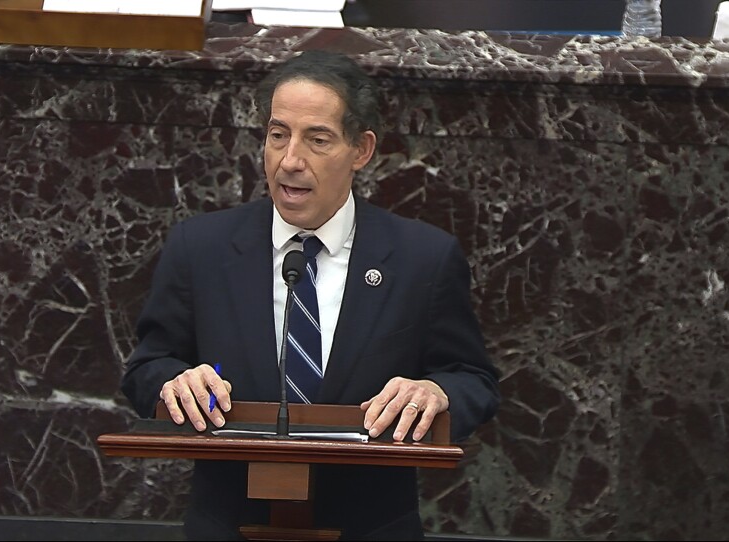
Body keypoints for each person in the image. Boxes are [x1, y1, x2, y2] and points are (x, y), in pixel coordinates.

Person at [121, 49, 500, 541]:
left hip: (371, 527)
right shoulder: (202, 248)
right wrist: (174, 382)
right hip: (229, 525)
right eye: (277, 135)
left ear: (360, 150)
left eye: (316, 139)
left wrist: (436, 391)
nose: (290, 160)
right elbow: (148, 367)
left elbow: (473, 379)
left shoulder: (421, 258)